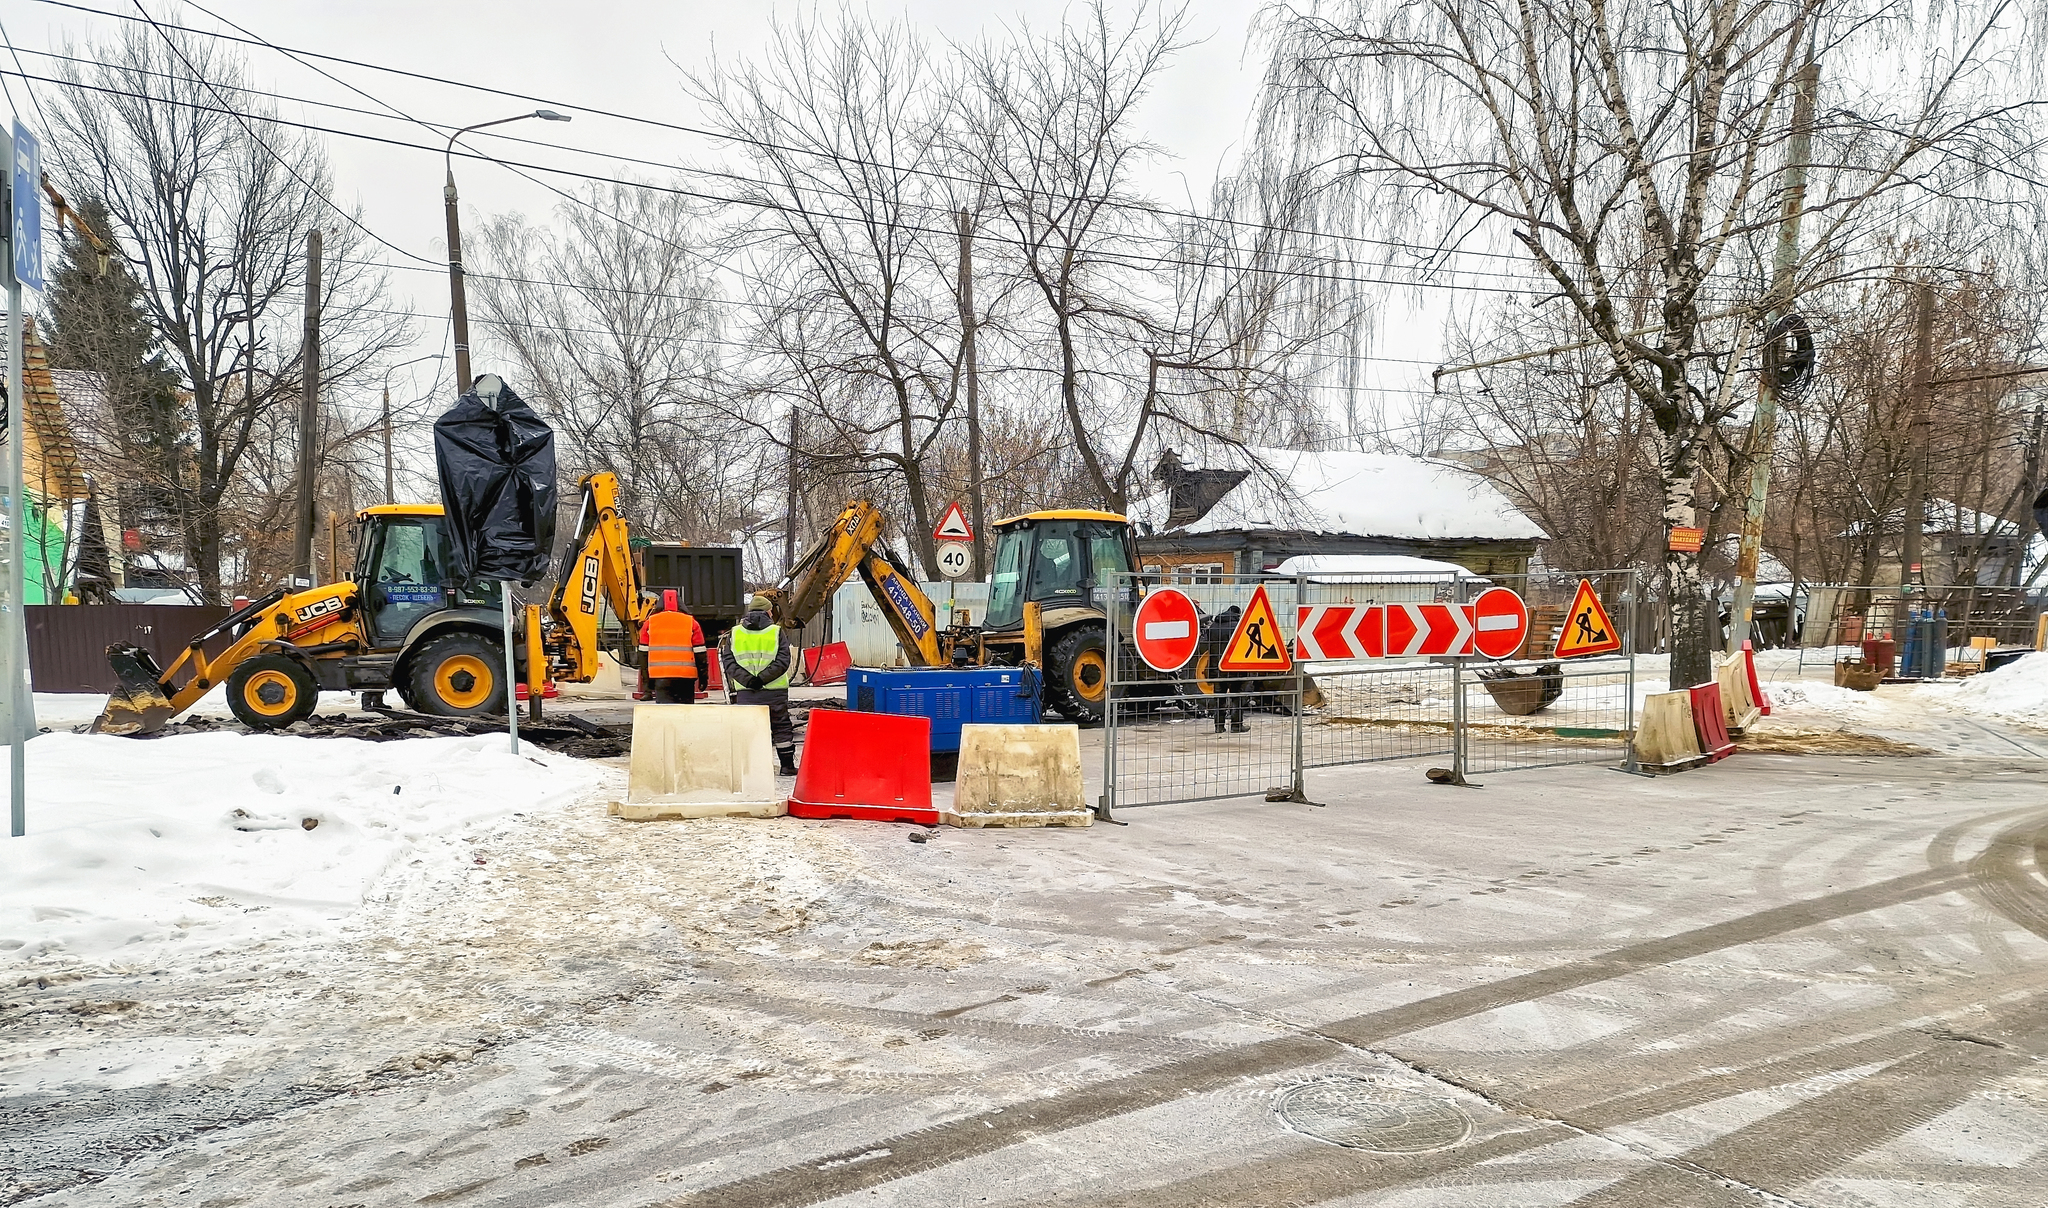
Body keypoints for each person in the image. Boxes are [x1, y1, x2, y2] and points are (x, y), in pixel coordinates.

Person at [722, 592, 799, 775]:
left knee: (749, 730)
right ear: (769, 612)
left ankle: (752, 769)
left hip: (746, 693)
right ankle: (787, 766)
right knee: (780, 727)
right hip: (774, 692)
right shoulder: (776, 632)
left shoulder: (735, 633)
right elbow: (782, 661)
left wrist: (749, 680)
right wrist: (763, 679)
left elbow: (729, 661)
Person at [639, 588, 707, 704]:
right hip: (686, 679)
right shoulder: (691, 623)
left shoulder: (650, 623)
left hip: (661, 678)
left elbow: (643, 656)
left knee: (666, 716)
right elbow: (700, 654)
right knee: (685, 715)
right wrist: (703, 678)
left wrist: (647, 684)